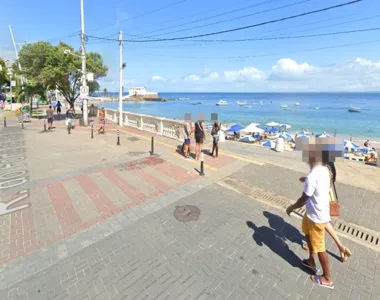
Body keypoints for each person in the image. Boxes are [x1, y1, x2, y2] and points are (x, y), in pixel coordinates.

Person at [286, 155, 334, 289]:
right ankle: (311, 261)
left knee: (320, 247)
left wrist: (291, 207)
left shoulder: (313, 175)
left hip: (318, 215)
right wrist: (307, 180)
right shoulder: (323, 168)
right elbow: (323, 183)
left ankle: (327, 278)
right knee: (307, 233)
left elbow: (303, 199)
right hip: (311, 212)